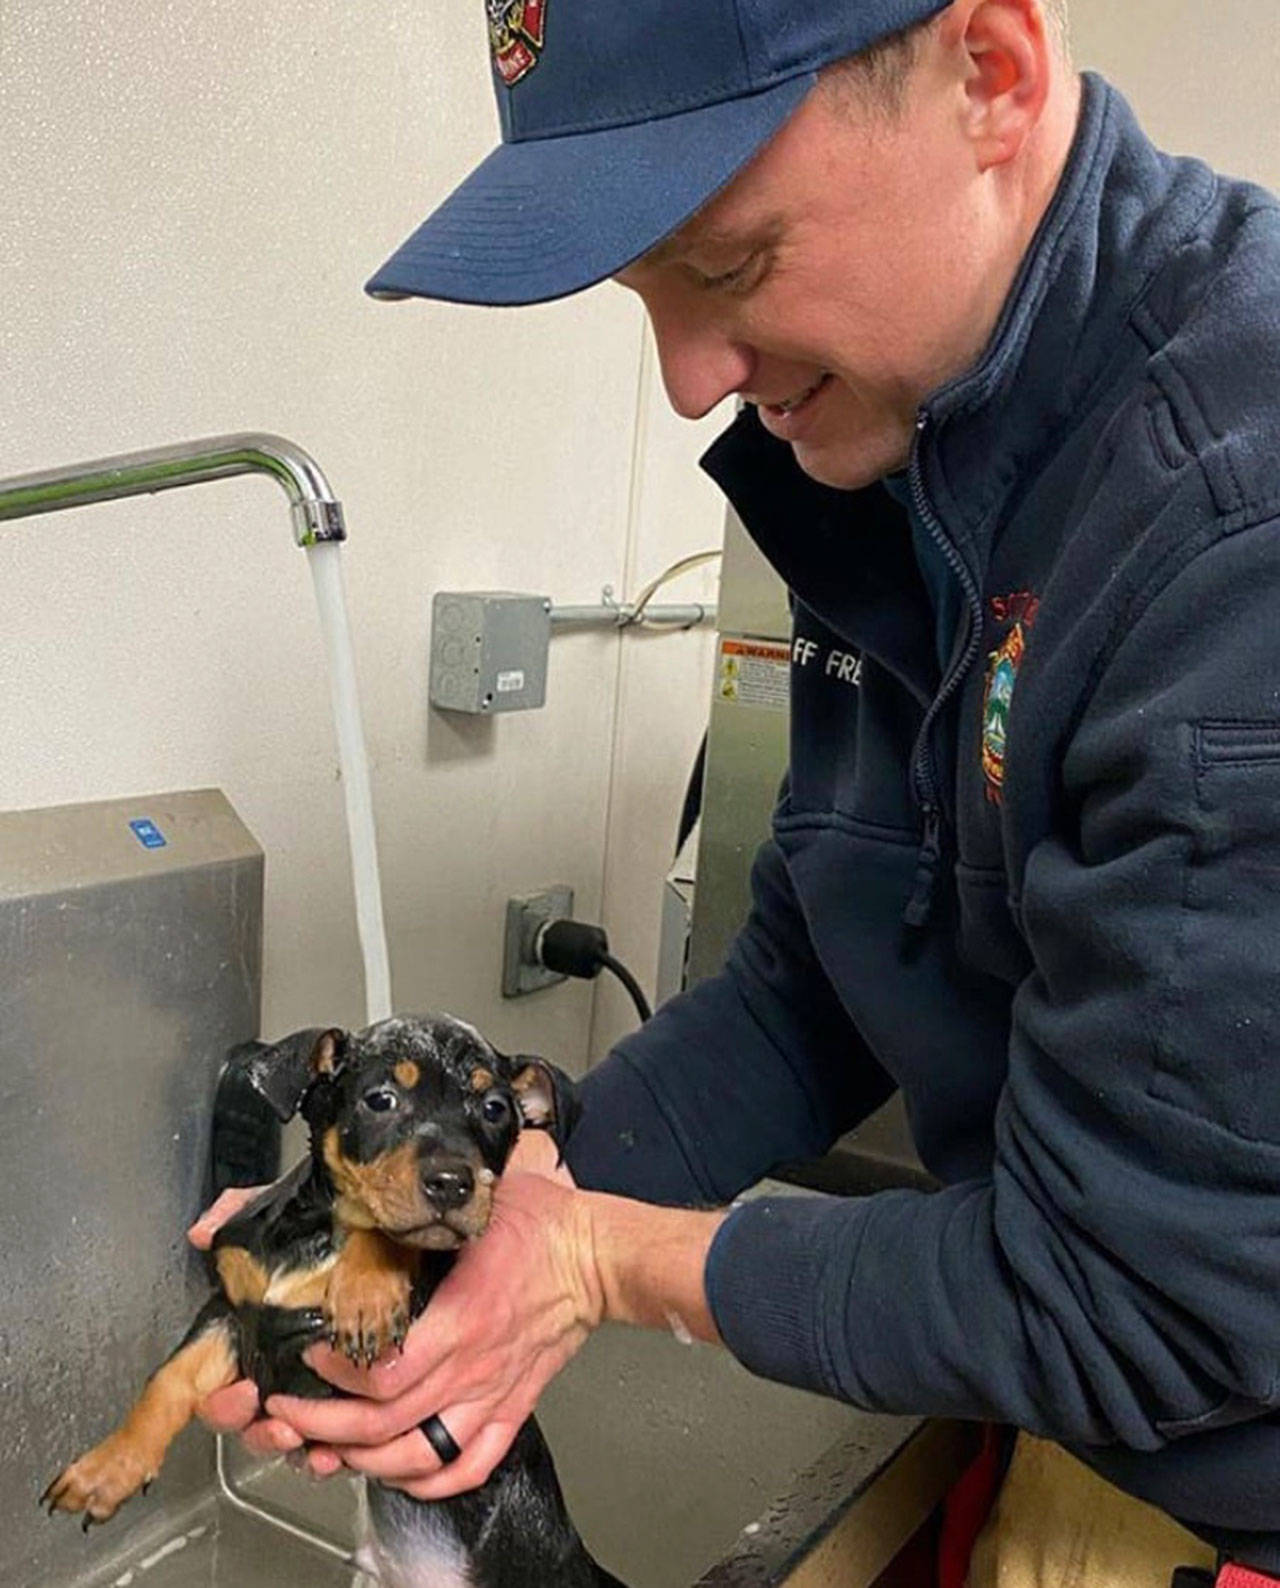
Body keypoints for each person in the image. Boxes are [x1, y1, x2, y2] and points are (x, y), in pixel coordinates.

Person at [190, 0, 1280, 1581]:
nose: (692, 379)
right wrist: (527, 1192)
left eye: (733, 264)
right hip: (1122, 1443)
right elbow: (817, 985)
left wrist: (596, 1265)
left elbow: (1145, 1299)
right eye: (643, 292)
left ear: (993, 73)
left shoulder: (1230, 537)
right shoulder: (909, 467)